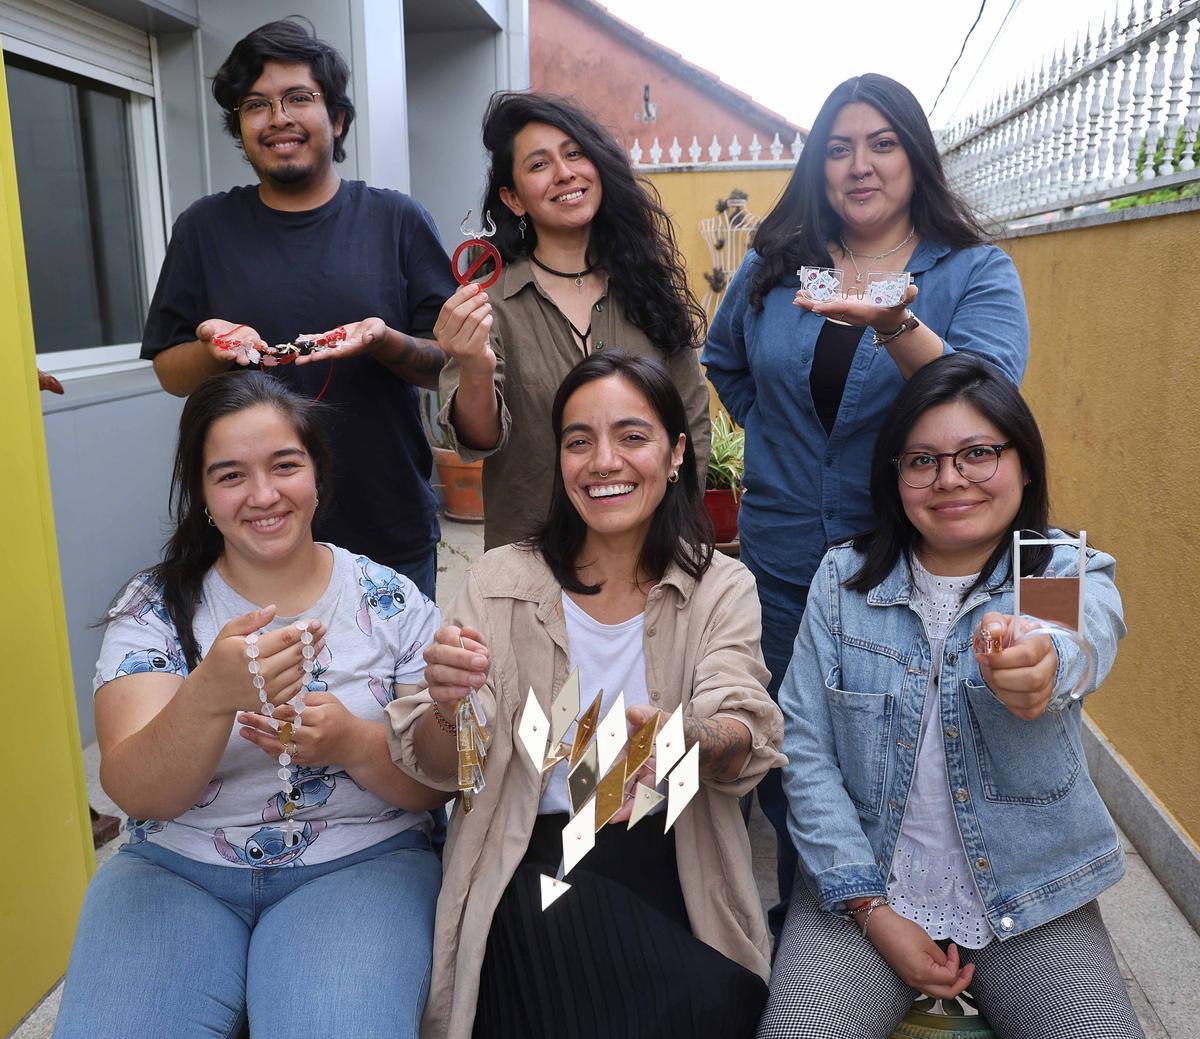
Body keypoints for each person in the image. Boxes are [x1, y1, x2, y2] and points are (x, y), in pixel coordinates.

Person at [702, 73, 1029, 936]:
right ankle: (822, 914)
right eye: (838, 147)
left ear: (916, 157)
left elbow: (989, 402)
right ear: (818, 165)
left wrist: (888, 320)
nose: (860, 165)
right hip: (780, 557)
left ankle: (921, 910)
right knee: (791, 751)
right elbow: (725, 359)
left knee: (903, 750)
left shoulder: (973, 272)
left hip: (906, 564)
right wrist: (781, 442)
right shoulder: (778, 269)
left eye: (882, 143)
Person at [388, 353, 783, 1039]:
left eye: (632, 436)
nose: (604, 461)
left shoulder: (720, 586)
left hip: (670, 855)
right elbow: (444, 767)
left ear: (676, 452)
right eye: (580, 441)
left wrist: (681, 741)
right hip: (532, 856)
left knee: (714, 998)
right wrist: (450, 709)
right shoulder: (499, 582)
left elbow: (742, 723)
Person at [52, 373, 447, 1039]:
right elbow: (136, 791)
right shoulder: (154, 607)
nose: (263, 495)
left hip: (362, 863)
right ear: (204, 495)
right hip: (176, 869)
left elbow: (437, 785)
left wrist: (350, 741)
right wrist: (209, 695)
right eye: (230, 475)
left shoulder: (389, 599)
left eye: (285, 465)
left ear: (316, 475)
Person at [758, 354, 1141, 1039]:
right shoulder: (845, 581)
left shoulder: (1045, 568)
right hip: (864, 888)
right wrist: (871, 908)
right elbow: (804, 747)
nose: (950, 478)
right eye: (922, 460)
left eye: (978, 453)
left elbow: (1077, 633)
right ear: (895, 476)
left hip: (1032, 894)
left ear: (1024, 464)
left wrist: (1044, 663)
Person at [141, 19, 456, 598]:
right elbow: (168, 369)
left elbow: (447, 363)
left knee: (397, 691)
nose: (278, 117)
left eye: (298, 98)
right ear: (240, 129)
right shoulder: (204, 228)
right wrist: (217, 352)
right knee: (264, 688)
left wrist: (384, 342)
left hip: (385, 524)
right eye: (255, 104)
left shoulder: (396, 220)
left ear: (336, 119)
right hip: (253, 529)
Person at [432, 91, 712, 550]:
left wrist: (679, 532)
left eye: (575, 153)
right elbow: (476, 441)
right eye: (539, 165)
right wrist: (474, 366)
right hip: (531, 558)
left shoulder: (649, 286)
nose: (564, 173)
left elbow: (691, 417)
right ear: (514, 198)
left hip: (649, 556)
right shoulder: (488, 302)